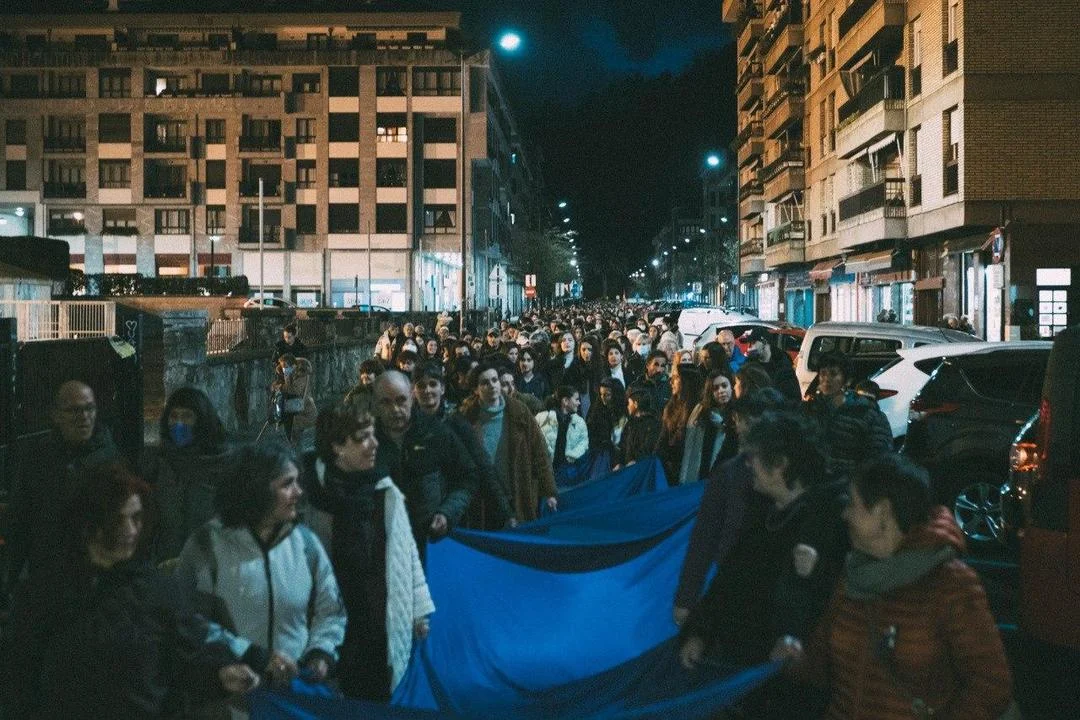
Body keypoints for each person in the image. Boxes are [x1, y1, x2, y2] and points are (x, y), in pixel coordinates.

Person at [3, 461, 259, 718]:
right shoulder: (45, 594)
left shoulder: (154, 590)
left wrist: (219, 675)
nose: (130, 530)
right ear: (88, 523)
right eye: (117, 519)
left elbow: (185, 658)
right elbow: (20, 679)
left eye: (136, 517)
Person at [779, 454, 1015, 720]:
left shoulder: (951, 584)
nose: (845, 514)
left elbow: (991, 685)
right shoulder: (853, 576)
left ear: (883, 512)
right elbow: (820, 665)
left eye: (853, 504)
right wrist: (793, 659)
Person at [678, 411, 847, 672]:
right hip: (738, 663)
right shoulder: (761, 513)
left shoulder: (827, 524)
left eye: (752, 458)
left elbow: (827, 610)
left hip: (782, 676)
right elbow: (729, 579)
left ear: (779, 464)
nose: (748, 466)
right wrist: (700, 632)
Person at [176, 442, 347, 692]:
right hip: (232, 697)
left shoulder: (306, 544)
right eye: (287, 484)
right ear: (257, 490)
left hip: (295, 694)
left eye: (297, 482)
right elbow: (188, 619)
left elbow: (331, 610)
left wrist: (320, 652)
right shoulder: (206, 546)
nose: (298, 492)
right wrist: (251, 655)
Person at [302, 405, 434, 701]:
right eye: (363, 438)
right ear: (337, 447)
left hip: (378, 623)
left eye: (374, 435)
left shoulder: (385, 492)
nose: (374, 444)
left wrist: (418, 610)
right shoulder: (310, 497)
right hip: (330, 625)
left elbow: (406, 554)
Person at [673, 389, 789, 625]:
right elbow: (704, 538)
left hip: (770, 587)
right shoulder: (730, 473)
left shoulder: (785, 474)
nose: (743, 427)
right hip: (734, 579)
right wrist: (686, 598)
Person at [4, 380, 122, 586]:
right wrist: (11, 581)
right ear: (56, 415)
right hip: (47, 576)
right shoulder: (37, 460)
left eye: (89, 408)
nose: (84, 417)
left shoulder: (110, 461)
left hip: (95, 579)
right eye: (74, 410)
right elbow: (20, 523)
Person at [371, 371, 477, 560]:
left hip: (430, 543)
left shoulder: (436, 432)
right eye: (386, 402)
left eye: (401, 400)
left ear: (411, 397)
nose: (395, 409)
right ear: (375, 404)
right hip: (382, 547)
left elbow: (468, 477)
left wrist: (447, 513)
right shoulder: (366, 441)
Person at [140, 386, 235, 565]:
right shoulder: (157, 464)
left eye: (187, 416)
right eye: (174, 416)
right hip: (166, 565)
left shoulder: (223, 465)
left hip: (213, 566)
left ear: (202, 421)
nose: (179, 424)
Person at [459, 361, 558, 524]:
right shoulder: (467, 418)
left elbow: (540, 451)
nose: (492, 385)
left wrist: (549, 491)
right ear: (476, 389)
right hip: (484, 499)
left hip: (518, 491)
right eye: (485, 382)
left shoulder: (519, 412)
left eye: (494, 380)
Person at [804, 350, 893, 473]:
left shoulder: (866, 413)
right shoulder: (811, 409)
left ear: (847, 381)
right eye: (823, 374)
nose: (826, 379)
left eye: (833, 374)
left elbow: (879, 454)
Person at [676, 367, 734, 485]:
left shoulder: (737, 413)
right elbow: (691, 448)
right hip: (701, 474)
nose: (721, 391)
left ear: (731, 387)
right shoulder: (701, 411)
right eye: (715, 388)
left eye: (724, 386)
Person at [655, 363, 705, 486]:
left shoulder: (698, 409)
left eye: (676, 378)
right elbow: (663, 439)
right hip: (669, 469)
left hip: (689, 471)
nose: (671, 382)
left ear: (687, 382)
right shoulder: (670, 407)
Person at [535, 385, 589, 470]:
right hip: (545, 470)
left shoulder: (579, 423)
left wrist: (571, 456)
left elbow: (584, 442)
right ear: (565, 401)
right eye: (576, 399)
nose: (579, 403)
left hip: (568, 471)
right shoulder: (542, 419)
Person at [741, 326, 801, 400]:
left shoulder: (783, 365)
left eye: (753, 343)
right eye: (748, 343)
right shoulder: (748, 366)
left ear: (764, 342)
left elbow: (794, 397)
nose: (749, 347)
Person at [617, 387, 661, 468]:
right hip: (627, 468)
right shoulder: (630, 424)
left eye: (629, 403)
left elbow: (649, 448)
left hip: (641, 468)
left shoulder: (652, 424)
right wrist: (619, 462)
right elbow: (623, 445)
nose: (628, 406)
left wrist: (636, 461)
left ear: (636, 404)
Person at [587, 376, 628, 457]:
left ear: (616, 395)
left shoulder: (625, 412)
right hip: (601, 453)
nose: (602, 398)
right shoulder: (595, 410)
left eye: (607, 395)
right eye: (601, 394)